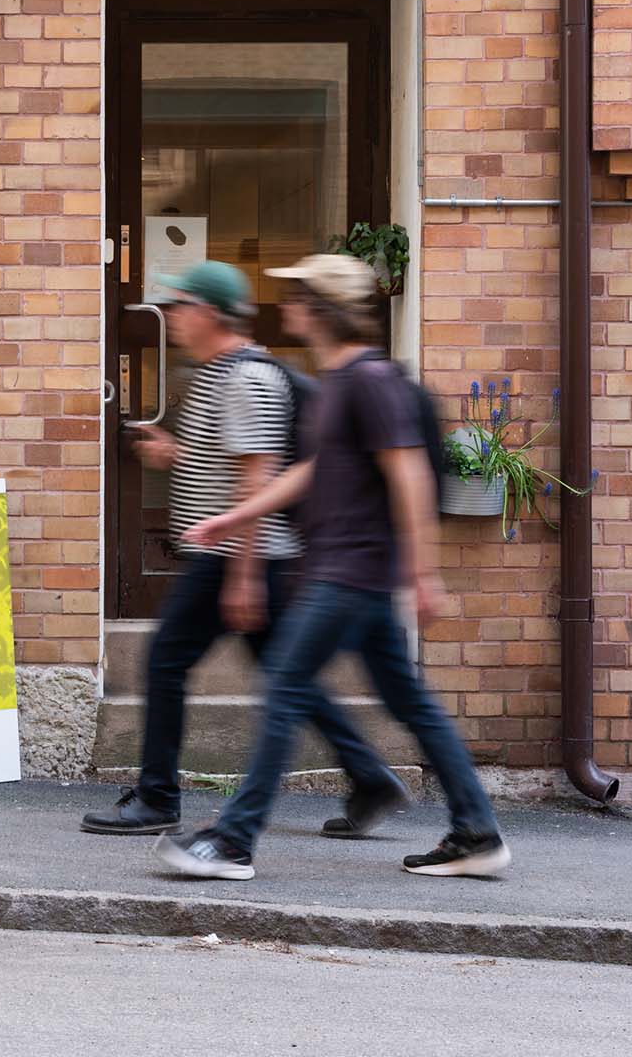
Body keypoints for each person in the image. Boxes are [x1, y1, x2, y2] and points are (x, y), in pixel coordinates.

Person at [155, 252, 510, 879]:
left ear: (320, 309)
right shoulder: (339, 380)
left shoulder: (369, 380)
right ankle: (476, 832)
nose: (286, 305)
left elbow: (409, 474)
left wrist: (424, 574)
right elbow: (312, 472)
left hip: (349, 573)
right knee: (411, 704)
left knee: (285, 687)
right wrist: (235, 518)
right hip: (351, 574)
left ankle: (233, 839)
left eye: (296, 295)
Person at [82, 261, 407, 837]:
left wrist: (244, 577)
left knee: (166, 661)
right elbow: (230, 458)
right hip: (242, 554)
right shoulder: (216, 373)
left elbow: (256, 476)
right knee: (287, 674)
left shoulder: (245, 379)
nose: (171, 317)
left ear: (210, 313)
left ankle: (158, 797)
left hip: (237, 556)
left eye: (180, 305)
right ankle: (369, 776)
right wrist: (176, 454)